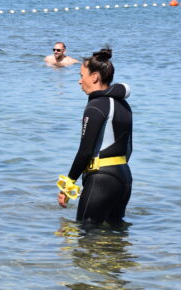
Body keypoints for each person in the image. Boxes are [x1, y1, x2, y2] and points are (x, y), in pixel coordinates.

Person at [57, 47, 133, 227]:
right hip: (124, 177)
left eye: (81, 75)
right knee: (115, 237)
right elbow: (129, 148)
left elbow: (85, 151)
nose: (79, 81)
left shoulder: (95, 106)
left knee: (86, 237)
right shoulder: (123, 105)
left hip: (101, 178)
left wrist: (68, 186)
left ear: (94, 77)